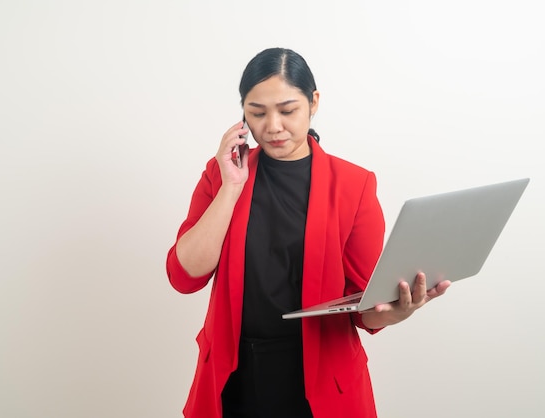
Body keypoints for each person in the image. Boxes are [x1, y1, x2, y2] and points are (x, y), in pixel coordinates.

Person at [166, 47, 450, 418]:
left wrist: (397, 311)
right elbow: (184, 277)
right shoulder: (222, 173)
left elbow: (364, 308)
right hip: (234, 379)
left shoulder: (354, 185)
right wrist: (230, 187)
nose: (272, 127)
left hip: (321, 385)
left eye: (287, 110)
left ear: (313, 102)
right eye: (256, 113)